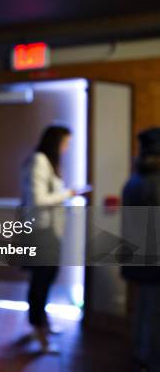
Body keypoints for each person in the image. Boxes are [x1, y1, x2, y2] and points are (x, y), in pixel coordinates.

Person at [20, 124, 76, 353]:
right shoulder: (39, 161)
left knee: (46, 279)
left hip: (49, 232)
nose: (66, 148)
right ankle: (39, 330)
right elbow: (39, 199)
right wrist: (68, 194)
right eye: (64, 143)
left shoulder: (47, 163)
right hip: (40, 232)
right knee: (40, 282)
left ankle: (42, 324)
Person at [121, 127, 160, 371]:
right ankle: (152, 359)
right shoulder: (156, 183)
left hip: (136, 256)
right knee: (154, 312)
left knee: (143, 307)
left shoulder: (134, 181)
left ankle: (138, 351)